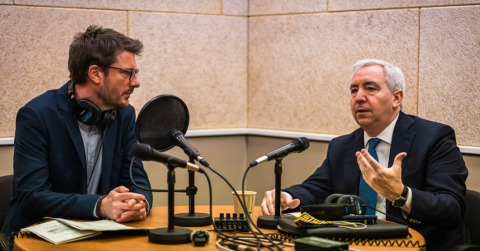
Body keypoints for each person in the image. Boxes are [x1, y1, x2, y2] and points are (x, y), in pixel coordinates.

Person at [260, 59, 469, 250]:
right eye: (353, 90)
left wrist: (401, 195)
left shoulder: (433, 138)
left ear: (397, 98)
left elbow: (451, 209)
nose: (359, 97)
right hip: (354, 243)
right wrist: (287, 196)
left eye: (370, 88)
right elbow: (316, 187)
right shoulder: (342, 145)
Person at [1, 25, 153, 235]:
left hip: (97, 235)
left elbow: (137, 180)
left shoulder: (124, 114)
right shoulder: (37, 115)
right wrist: (100, 206)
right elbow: (32, 198)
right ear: (95, 73)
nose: (136, 82)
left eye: (135, 73)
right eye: (128, 73)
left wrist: (139, 204)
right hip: (33, 235)